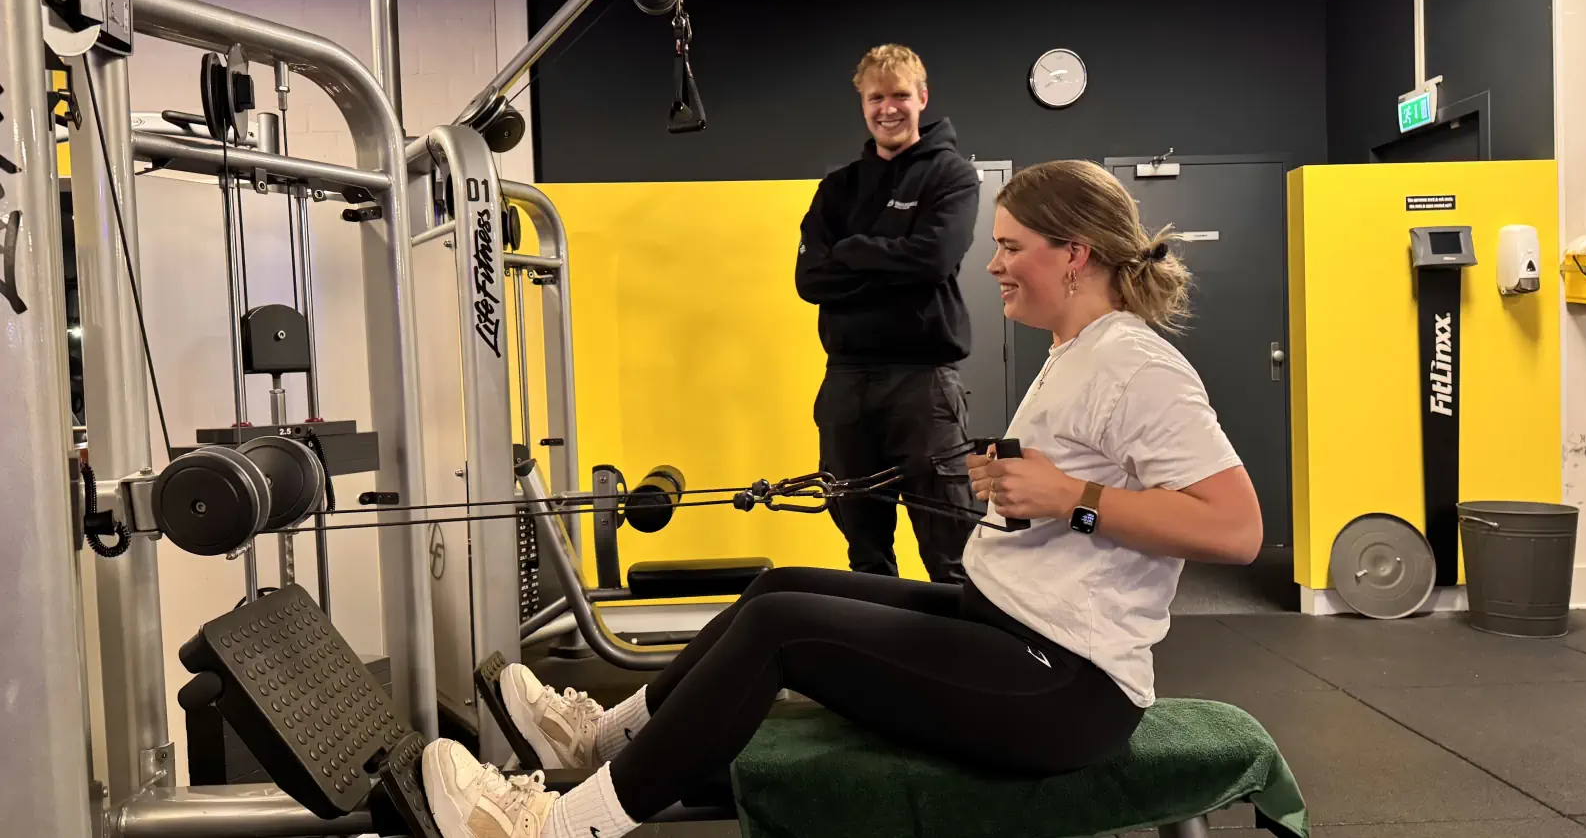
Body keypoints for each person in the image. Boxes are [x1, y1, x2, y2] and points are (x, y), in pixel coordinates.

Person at [419, 159, 1264, 838]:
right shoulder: (1073, 349)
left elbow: (1235, 529)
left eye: (1012, 247)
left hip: (1068, 689)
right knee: (782, 588)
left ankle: (560, 827)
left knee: (782, 633)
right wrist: (1031, 488)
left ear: (1074, 252)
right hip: (1006, 623)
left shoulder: (1135, 363)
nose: (994, 264)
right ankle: (596, 736)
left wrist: (1072, 496)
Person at [794, 43, 982, 585]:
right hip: (846, 382)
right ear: (863, 104)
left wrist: (852, 250)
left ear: (922, 98)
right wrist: (889, 258)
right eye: (877, 97)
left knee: (950, 544)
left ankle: (964, 662)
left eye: (900, 95)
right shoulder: (838, 189)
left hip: (922, 383)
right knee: (863, 544)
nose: (888, 108)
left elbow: (933, 259)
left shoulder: (950, 176)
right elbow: (811, 281)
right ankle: (880, 655)